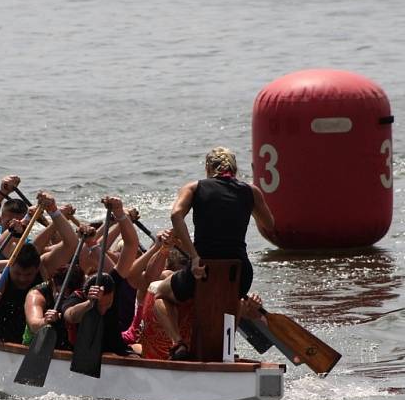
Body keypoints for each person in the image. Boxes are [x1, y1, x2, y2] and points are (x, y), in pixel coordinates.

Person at [152, 146, 275, 359]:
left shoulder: (194, 187)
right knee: (234, 299)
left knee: (160, 294)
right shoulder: (251, 191)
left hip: (201, 270)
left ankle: (178, 343)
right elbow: (269, 224)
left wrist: (194, 256)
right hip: (239, 272)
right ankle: (229, 348)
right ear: (234, 169)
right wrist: (248, 207)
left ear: (209, 168)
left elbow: (176, 215)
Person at [0, 192, 78, 344]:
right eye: (17, 273)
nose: (22, 279)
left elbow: (72, 244)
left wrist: (54, 211)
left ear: (37, 268)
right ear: (10, 264)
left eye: (29, 274)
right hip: (0, 341)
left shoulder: (43, 267)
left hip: (35, 342)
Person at [60, 196, 139, 356]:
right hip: (83, 354)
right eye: (101, 305)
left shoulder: (112, 284)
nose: (103, 308)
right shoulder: (76, 296)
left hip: (116, 350)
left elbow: (131, 245)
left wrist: (120, 214)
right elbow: (71, 316)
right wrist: (90, 304)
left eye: (107, 303)